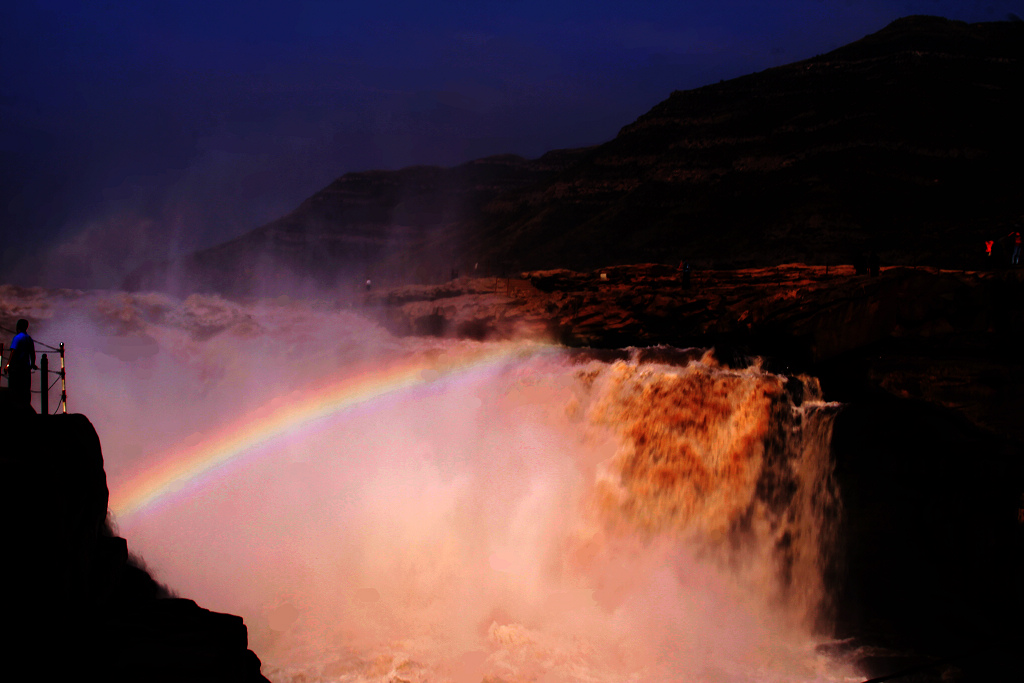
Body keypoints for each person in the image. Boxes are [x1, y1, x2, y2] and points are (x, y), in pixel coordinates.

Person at [5, 319, 36, 407]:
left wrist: (8, 365)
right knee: (26, 389)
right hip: (26, 368)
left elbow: (13, 352)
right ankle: (26, 407)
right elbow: (32, 353)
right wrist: (33, 364)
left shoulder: (17, 338)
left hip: (16, 367)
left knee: (14, 388)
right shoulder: (29, 339)